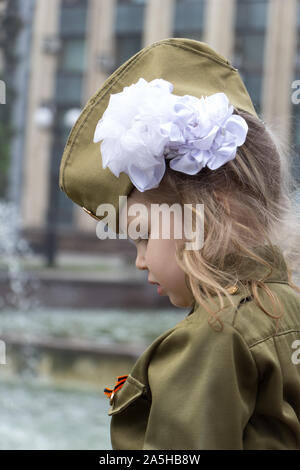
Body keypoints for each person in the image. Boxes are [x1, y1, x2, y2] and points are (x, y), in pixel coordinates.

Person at [59, 38, 300, 450]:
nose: (139, 261)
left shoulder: (213, 336)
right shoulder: (287, 304)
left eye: (144, 235)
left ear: (209, 213)